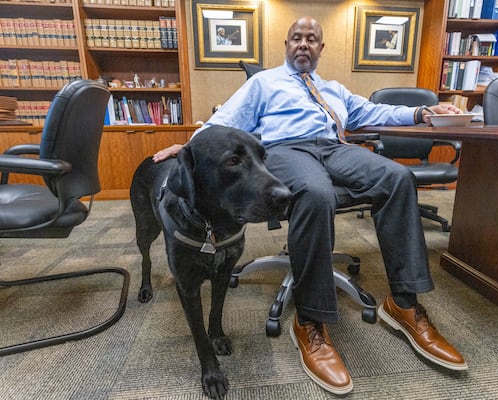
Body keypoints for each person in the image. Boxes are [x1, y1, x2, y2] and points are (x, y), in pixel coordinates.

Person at [153, 16, 466, 395]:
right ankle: (310, 321)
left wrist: (421, 113)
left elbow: (374, 112)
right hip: (286, 149)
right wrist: (188, 148)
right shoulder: (264, 83)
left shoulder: (334, 89)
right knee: (317, 193)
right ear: (287, 45)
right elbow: (224, 122)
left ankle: (404, 303)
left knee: (398, 178)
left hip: (334, 147)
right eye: (297, 38)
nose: (304, 43)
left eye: (312, 39)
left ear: (321, 48)